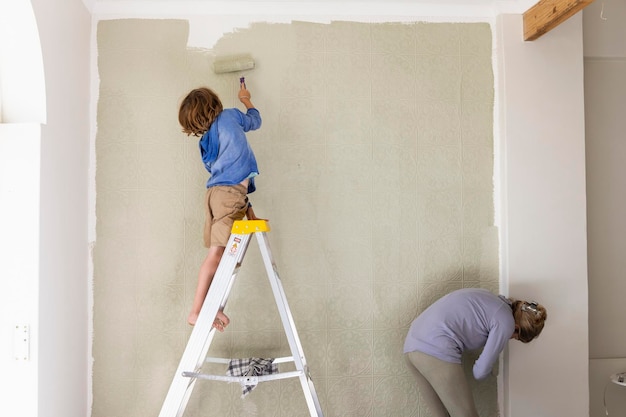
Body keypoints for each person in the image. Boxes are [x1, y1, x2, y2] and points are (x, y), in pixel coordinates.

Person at [178, 79, 263, 330]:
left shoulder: (204, 142)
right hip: (228, 194)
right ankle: (196, 311)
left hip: (215, 195)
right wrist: (246, 99)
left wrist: (249, 211)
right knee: (218, 254)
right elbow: (255, 120)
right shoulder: (230, 116)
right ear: (215, 104)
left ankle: (213, 307)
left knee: (227, 254)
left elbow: (218, 172)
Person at [404, 287, 547, 417]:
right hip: (435, 347)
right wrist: (492, 369)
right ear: (517, 328)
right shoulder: (506, 322)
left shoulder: (492, 300)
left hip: (412, 345)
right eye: (516, 337)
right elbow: (479, 372)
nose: (510, 338)